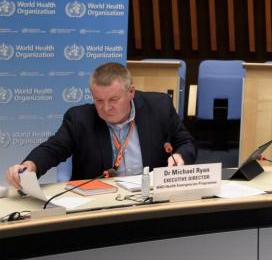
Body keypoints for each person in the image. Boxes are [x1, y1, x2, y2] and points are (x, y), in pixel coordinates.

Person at [5, 62, 197, 189]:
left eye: (113, 99)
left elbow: (186, 142)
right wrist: (30, 166)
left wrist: (180, 156)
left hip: (150, 196)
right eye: (99, 100)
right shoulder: (79, 119)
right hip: (98, 204)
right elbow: (53, 149)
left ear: (131, 92)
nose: (106, 108)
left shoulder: (159, 106)